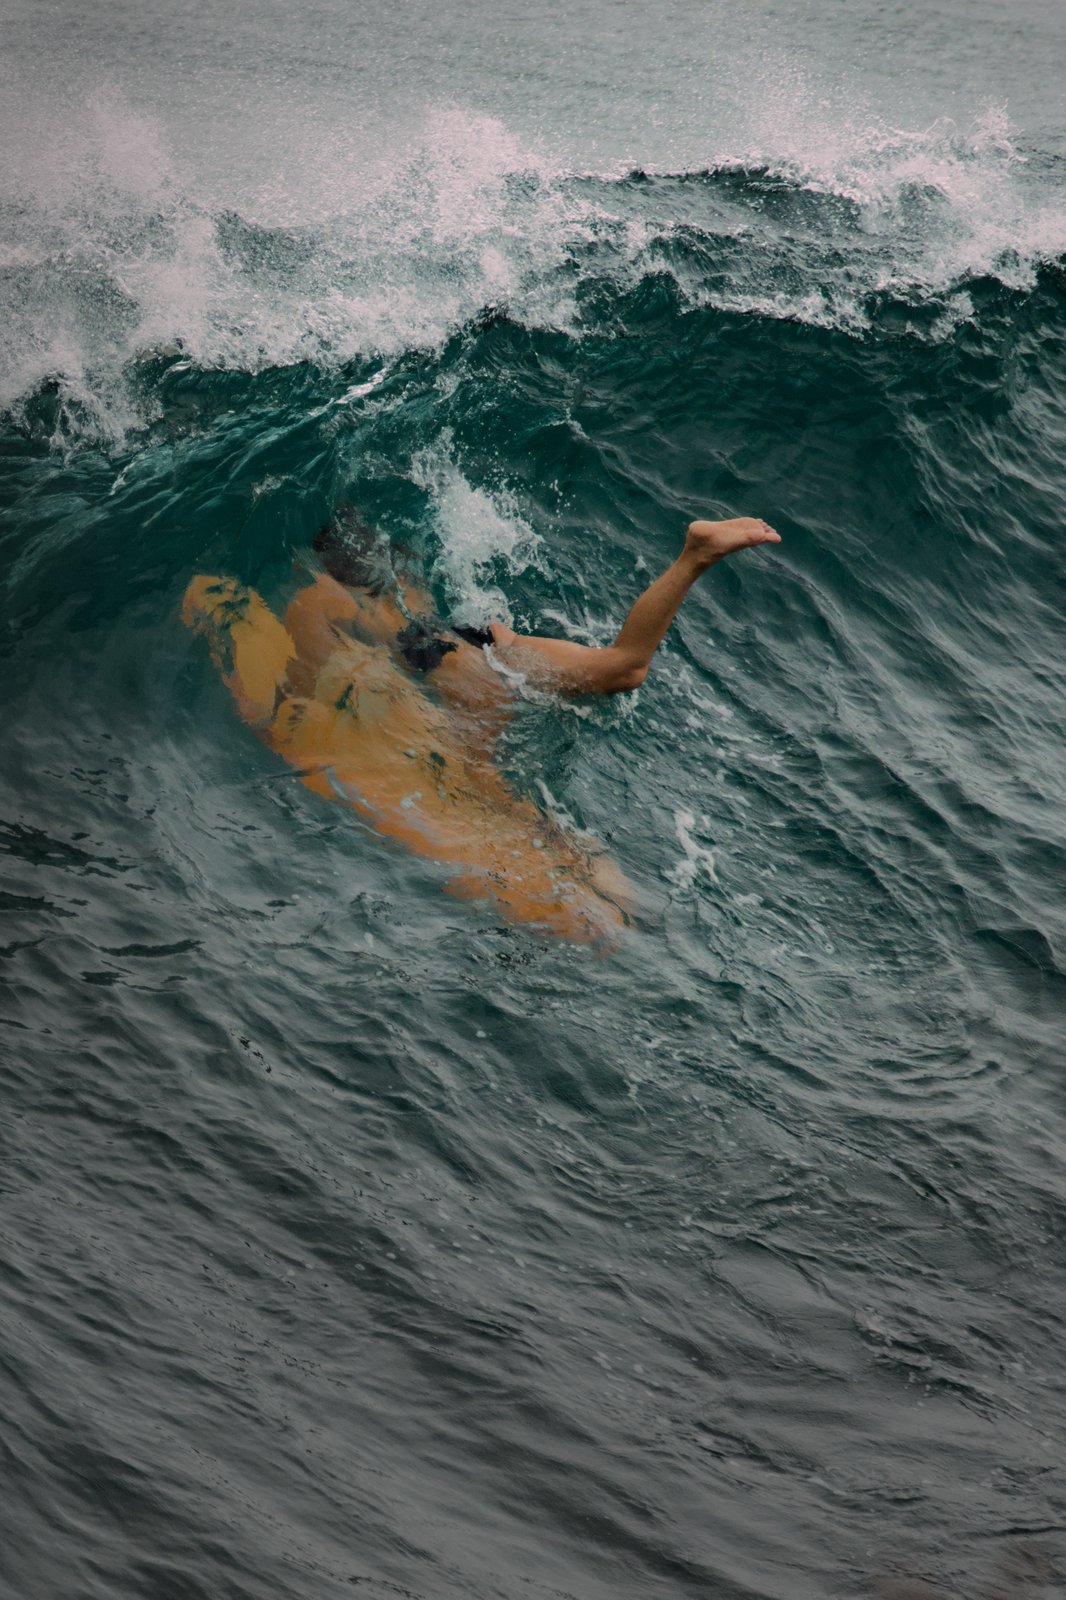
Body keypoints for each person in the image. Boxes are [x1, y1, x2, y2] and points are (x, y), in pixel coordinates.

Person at [183, 511, 780, 941]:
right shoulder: (415, 596)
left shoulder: (321, 604)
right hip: (477, 645)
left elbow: (294, 688)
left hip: (441, 667)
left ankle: (695, 554)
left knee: (591, 921)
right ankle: (693, 557)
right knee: (622, 672)